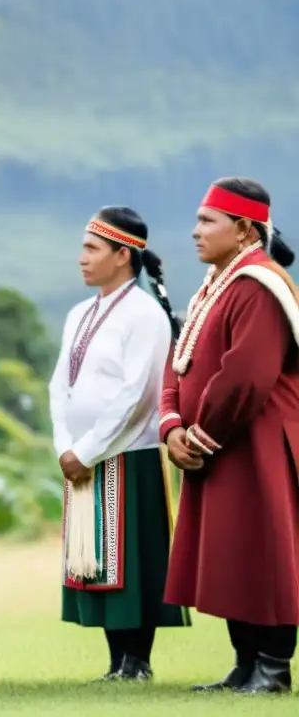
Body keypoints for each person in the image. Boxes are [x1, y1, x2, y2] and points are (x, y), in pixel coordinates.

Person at [160, 177, 299, 694]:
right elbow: (179, 363)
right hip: (215, 443)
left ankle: (273, 667)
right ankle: (245, 663)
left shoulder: (261, 285)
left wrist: (198, 436)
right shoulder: (214, 285)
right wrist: (172, 425)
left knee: (264, 550)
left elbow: (247, 376)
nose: (195, 231)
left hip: (255, 442)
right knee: (231, 553)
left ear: (243, 229)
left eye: (206, 222)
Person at [48, 207, 191, 682]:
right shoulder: (78, 313)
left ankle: (139, 662)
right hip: (81, 457)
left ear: (122, 254)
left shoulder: (145, 314)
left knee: (133, 561)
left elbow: (138, 394)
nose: (81, 259)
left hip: (130, 454)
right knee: (96, 561)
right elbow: (58, 386)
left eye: (92, 249)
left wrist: (87, 451)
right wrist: (65, 445)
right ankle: (117, 663)